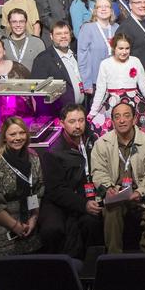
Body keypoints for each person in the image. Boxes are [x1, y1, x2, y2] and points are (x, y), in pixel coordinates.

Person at [91, 103, 145, 253]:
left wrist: (140, 192)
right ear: (112, 121)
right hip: (116, 194)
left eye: (126, 116)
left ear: (135, 119)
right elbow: (98, 171)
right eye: (117, 117)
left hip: (141, 194)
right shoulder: (102, 144)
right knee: (111, 212)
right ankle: (114, 258)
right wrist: (108, 188)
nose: (122, 120)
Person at [37, 105, 102, 258]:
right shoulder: (54, 152)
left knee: (92, 222)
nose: (78, 126)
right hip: (61, 200)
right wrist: (83, 204)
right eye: (72, 121)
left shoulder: (92, 140)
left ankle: (92, 266)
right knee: (53, 229)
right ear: (62, 123)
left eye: (81, 120)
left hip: (87, 194)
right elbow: (56, 190)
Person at [0, 116, 44, 262]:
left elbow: (38, 190)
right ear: (4, 138)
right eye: (12, 134)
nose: (18, 138)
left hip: (27, 218)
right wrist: (15, 226)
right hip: (2, 221)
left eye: (21, 133)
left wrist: (33, 218)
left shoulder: (33, 157)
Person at [30, 21, 86, 107]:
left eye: (66, 33)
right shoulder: (43, 59)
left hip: (80, 110)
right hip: (59, 113)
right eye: (58, 34)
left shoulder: (76, 55)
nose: (63, 36)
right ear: (51, 36)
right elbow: (38, 92)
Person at [78, 0, 118, 105]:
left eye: (107, 6)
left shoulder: (117, 28)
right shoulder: (87, 28)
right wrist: (87, 83)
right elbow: (82, 57)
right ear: (95, 11)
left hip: (115, 81)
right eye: (100, 7)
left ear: (111, 10)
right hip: (96, 82)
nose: (104, 9)